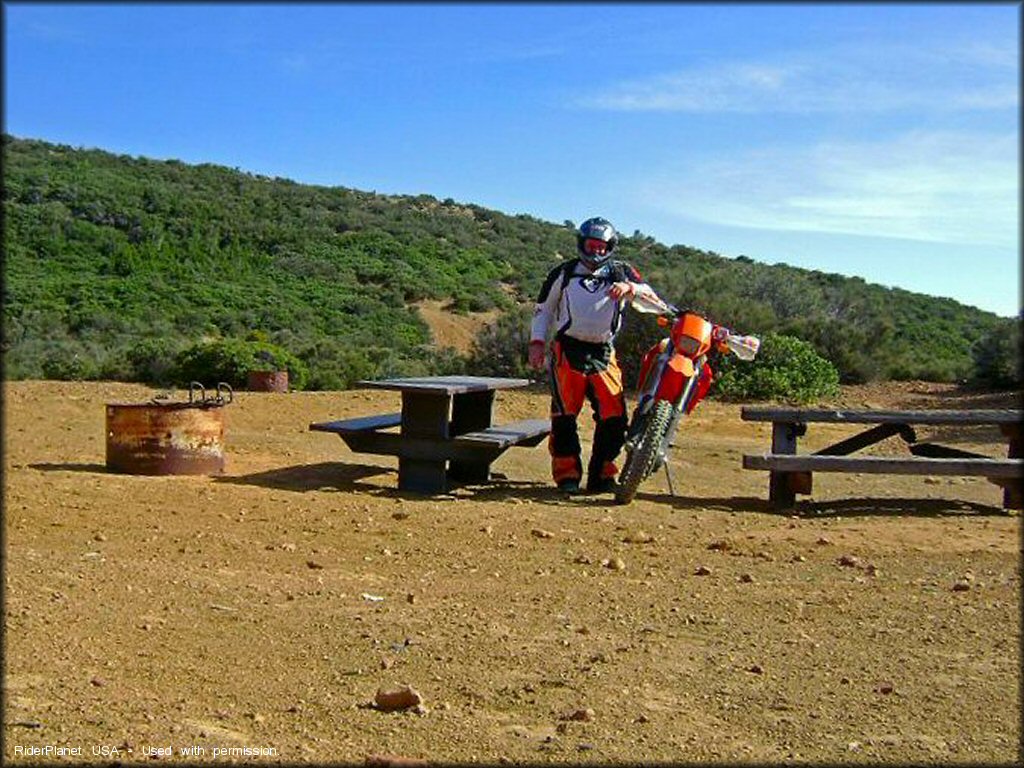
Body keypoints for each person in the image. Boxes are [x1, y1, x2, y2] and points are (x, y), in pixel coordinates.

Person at [527, 216, 663, 495]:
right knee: (565, 415)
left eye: (602, 246)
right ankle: (567, 476)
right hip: (568, 349)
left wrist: (631, 289)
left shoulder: (622, 271)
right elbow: (543, 310)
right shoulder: (563, 273)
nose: (596, 251)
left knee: (613, 416)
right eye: (591, 245)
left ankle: (602, 475)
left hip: (603, 351)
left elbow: (653, 301)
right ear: (581, 243)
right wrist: (537, 342)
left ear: (610, 246)